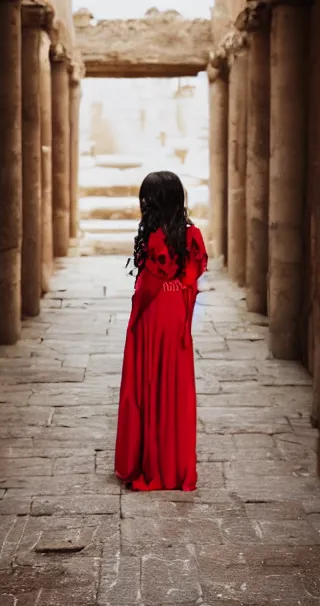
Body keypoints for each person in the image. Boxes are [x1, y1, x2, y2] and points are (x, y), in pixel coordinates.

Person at [115, 170, 208, 492]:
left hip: (154, 314)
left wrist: (136, 319)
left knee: (150, 386)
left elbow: (146, 287)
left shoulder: (154, 237)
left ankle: (151, 466)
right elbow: (191, 280)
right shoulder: (192, 234)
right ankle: (175, 467)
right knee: (175, 388)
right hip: (177, 314)